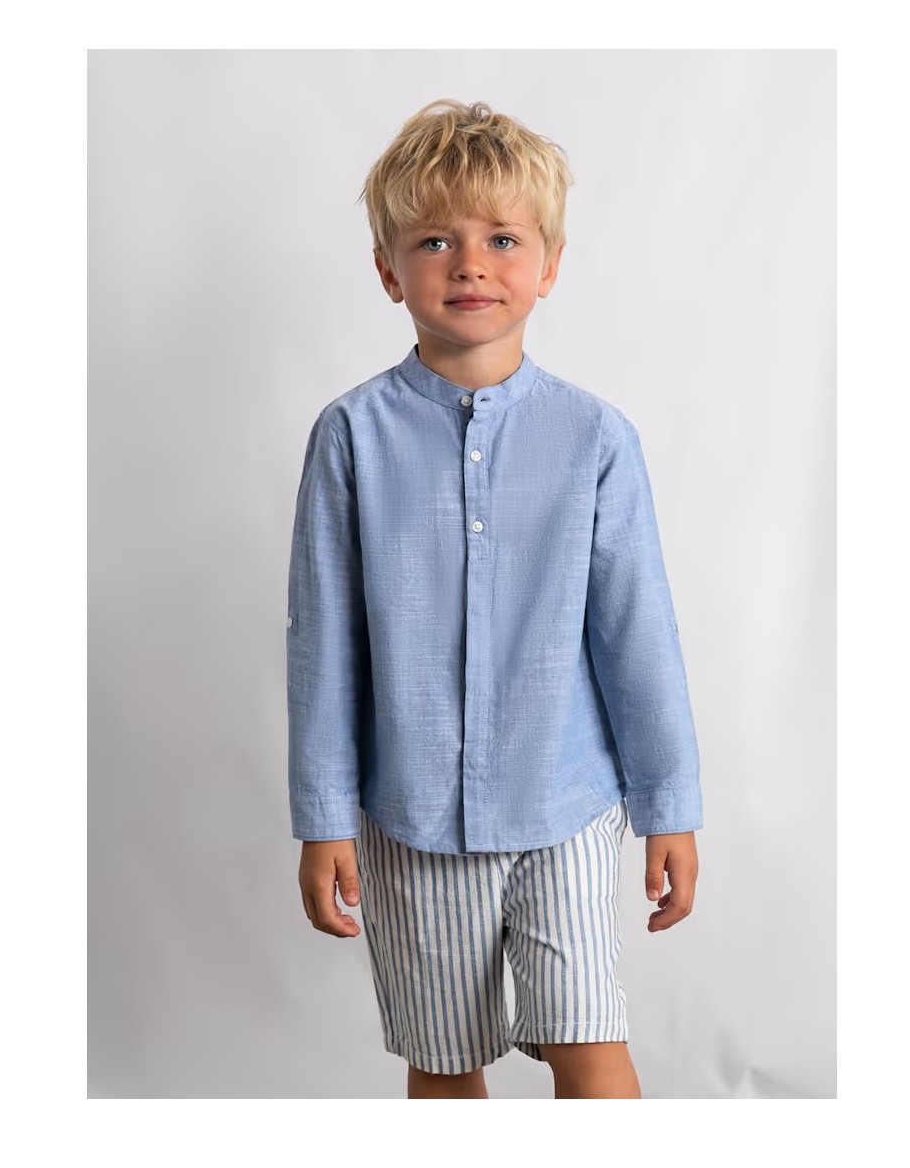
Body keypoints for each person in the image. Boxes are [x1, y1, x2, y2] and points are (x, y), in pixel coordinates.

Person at [287, 98, 703, 1099]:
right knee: (443, 1063)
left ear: (548, 265)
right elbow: (324, 645)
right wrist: (321, 819)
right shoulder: (349, 438)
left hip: (566, 806)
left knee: (590, 1047)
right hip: (412, 820)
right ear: (389, 270)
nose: (470, 264)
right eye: (436, 240)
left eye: (502, 239)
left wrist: (670, 807)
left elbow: (637, 634)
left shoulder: (597, 440)